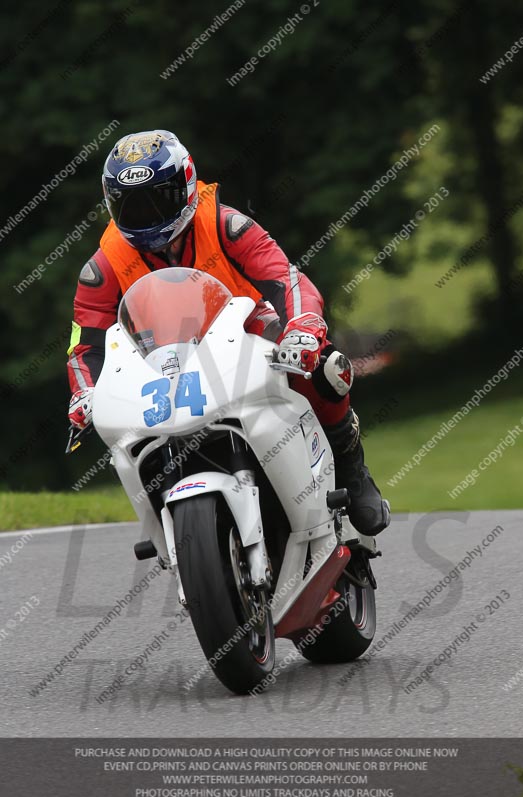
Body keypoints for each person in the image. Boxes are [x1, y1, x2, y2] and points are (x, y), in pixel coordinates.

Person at [67, 129, 390, 536]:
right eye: (130, 204)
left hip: (247, 328)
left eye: (157, 198)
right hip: (157, 355)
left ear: (185, 184)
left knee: (326, 367)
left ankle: (350, 465)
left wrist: (304, 328)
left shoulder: (224, 223)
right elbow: (85, 344)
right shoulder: (103, 265)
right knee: (115, 420)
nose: (147, 214)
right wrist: (85, 392)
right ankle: (164, 520)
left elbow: (285, 277)